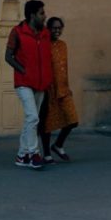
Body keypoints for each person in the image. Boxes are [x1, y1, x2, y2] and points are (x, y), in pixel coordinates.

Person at [5, 0, 52, 170]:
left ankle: (21, 154)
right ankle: (34, 153)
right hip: (24, 82)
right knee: (33, 117)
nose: (44, 16)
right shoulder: (17, 32)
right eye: (41, 13)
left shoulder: (45, 33)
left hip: (41, 83)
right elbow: (8, 56)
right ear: (32, 15)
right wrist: (23, 70)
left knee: (31, 119)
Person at [38, 16, 79, 163]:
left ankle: (58, 145)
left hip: (63, 89)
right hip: (48, 89)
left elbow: (64, 68)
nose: (57, 31)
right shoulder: (43, 45)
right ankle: (47, 154)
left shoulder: (63, 45)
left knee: (73, 120)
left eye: (59, 28)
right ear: (48, 29)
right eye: (54, 28)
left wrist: (67, 86)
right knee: (47, 122)